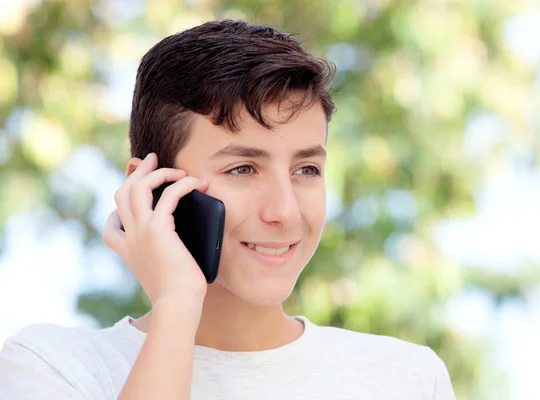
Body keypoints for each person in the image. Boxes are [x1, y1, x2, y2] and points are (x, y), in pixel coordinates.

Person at [0, 20, 455, 399]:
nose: (285, 211)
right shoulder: (53, 367)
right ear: (150, 188)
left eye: (307, 169)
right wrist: (177, 303)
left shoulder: (404, 378)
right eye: (242, 169)